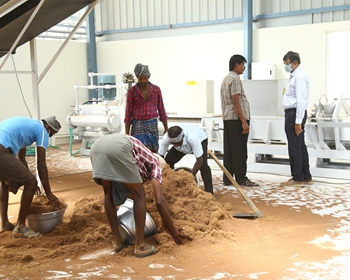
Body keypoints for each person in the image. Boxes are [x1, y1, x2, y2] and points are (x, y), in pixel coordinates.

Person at [89, 133, 182, 258]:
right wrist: (173, 230)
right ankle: (140, 246)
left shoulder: (140, 156)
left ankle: (117, 241)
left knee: (108, 194)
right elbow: (159, 201)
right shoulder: (155, 163)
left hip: (96, 147)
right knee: (140, 194)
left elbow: (126, 179)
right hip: (118, 148)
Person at [0, 116, 62, 238]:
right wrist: (48, 193)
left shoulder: (27, 127)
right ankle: (20, 227)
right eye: (52, 134)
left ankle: (5, 223)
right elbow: (41, 165)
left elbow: (21, 159)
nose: (49, 137)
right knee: (31, 182)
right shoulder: (42, 130)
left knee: (5, 182)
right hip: (2, 149)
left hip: (3, 146)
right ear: (48, 127)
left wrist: (28, 179)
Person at [220, 54, 258, 187]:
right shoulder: (235, 79)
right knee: (240, 150)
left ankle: (228, 178)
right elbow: (236, 101)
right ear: (236, 65)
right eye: (243, 64)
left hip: (228, 119)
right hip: (236, 119)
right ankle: (241, 178)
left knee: (229, 149)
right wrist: (243, 122)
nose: (244, 67)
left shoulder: (226, 79)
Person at [281, 51, 312, 187]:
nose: (286, 66)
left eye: (287, 63)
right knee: (299, 146)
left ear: (295, 63)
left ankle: (297, 178)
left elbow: (301, 100)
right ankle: (305, 176)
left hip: (294, 114)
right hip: (295, 113)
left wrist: (298, 121)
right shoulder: (296, 76)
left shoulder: (299, 77)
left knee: (294, 146)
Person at [124, 63, 168, 152]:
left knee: (153, 150)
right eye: (140, 78)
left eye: (145, 78)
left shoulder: (156, 90)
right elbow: (128, 113)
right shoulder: (132, 92)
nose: (143, 81)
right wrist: (127, 133)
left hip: (152, 123)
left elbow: (161, 109)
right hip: (138, 124)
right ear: (137, 77)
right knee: (138, 150)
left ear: (148, 77)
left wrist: (166, 128)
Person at [158, 124, 214, 194]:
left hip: (201, 139)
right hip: (181, 147)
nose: (175, 145)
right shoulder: (166, 139)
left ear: (183, 136)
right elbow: (160, 158)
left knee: (203, 166)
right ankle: (169, 184)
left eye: (177, 143)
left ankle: (209, 191)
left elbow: (199, 161)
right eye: (173, 143)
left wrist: (189, 177)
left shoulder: (193, 138)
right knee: (168, 162)